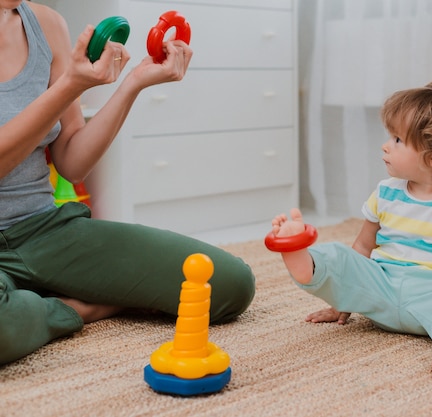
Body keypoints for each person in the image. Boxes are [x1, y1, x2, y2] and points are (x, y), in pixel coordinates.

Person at [0, 1, 255, 365]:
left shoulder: (46, 25)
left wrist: (133, 83)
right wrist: (70, 85)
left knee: (228, 285)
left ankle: (29, 295)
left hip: (43, 232)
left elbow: (72, 162)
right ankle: (75, 307)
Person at [268, 80, 432, 375]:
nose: (385, 145)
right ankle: (300, 255)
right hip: (382, 288)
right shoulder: (385, 193)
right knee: (338, 254)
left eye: (397, 140)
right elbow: (362, 248)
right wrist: (342, 299)